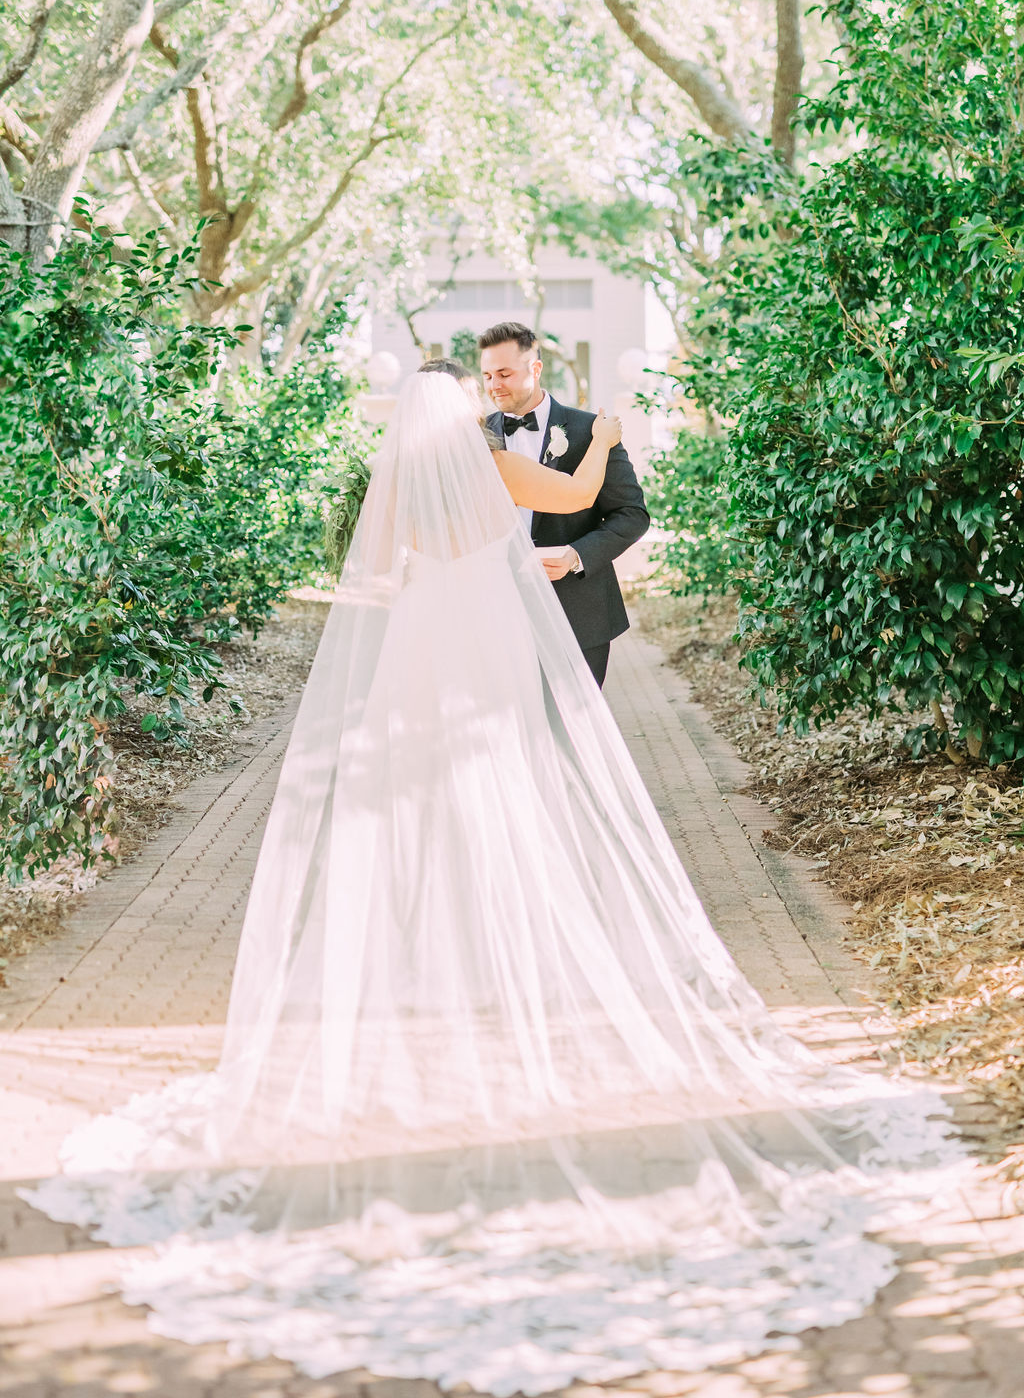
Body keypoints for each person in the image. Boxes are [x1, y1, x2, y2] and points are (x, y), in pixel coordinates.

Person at [24, 366, 965, 1396]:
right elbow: (571, 500)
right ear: (465, 417)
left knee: (413, 814)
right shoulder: (499, 469)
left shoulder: (396, 488)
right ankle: (515, 958)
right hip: (494, 663)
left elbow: (376, 569)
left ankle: (427, 966)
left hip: (418, 664)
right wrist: (601, 439)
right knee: (515, 795)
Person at [479, 321, 649, 686]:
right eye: (487, 375)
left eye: (504, 373)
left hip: (579, 609)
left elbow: (631, 514)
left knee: (576, 727)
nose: (494, 385)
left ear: (535, 369)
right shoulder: (475, 436)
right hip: (497, 608)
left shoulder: (591, 431)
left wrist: (576, 554)